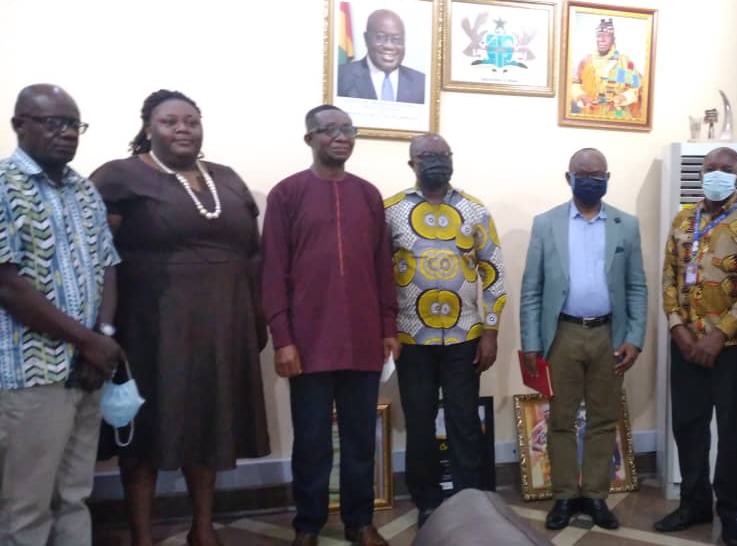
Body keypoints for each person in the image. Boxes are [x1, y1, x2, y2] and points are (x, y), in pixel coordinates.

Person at [90, 89, 271, 546]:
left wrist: (257, 315)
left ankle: (203, 528)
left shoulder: (226, 179)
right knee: (145, 431)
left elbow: (252, 253)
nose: (183, 128)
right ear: (148, 127)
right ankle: (141, 536)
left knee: (209, 423)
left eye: (191, 120)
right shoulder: (119, 177)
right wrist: (101, 328)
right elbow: (94, 256)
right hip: (149, 328)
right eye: (170, 121)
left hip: (223, 324)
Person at [262, 105, 400, 546]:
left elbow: (383, 268)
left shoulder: (368, 195)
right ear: (309, 139)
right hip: (308, 342)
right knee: (312, 441)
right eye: (329, 130)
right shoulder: (287, 194)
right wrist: (283, 339)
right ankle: (308, 524)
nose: (340, 137)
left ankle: (360, 521)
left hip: (362, 341)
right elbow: (272, 274)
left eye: (347, 129)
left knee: (361, 438)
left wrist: (388, 327)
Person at [0, 84, 123, 545]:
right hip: (30, 374)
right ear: (20, 125)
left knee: (74, 496)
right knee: (25, 506)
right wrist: (89, 342)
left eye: (74, 124)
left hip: (87, 369)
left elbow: (109, 265)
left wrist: (103, 336)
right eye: (54, 122)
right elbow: (8, 285)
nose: (68, 133)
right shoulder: (3, 185)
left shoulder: (83, 189)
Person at [520, 147, 647, 531]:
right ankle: (563, 497)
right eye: (583, 172)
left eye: (598, 173)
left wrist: (636, 337)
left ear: (607, 178)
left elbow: (637, 286)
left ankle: (594, 496)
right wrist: (530, 343)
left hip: (610, 334)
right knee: (559, 418)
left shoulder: (626, 224)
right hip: (562, 334)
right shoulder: (546, 224)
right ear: (569, 177)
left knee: (603, 419)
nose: (591, 178)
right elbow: (532, 288)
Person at [383, 133, 506, 528]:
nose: (434, 161)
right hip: (410, 339)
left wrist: (490, 331)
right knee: (419, 423)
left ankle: (469, 500)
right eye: (425, 156)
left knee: (463, 421)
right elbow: (378, 275)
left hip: (464, 337)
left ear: (452, 160)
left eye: (441, 154)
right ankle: (428, 504)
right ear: (411, 164)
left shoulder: (475, 210)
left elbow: (494, 272)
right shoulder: (390, 211)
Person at [656, 147, 737, 546]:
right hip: (686, 344)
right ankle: (693, 504)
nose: (717, 174)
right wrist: (677, 328)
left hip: (733, 346)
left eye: (727, 169)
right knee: (688, 425)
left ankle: (732, 512)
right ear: (701, 173)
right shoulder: (683, 219)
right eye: (711, 168)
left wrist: (719, 333)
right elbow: (669, 277)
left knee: (734, 430)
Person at [338, 9, 426, 104]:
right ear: (366, 39)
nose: (389, 46)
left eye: (396, 39)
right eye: (380, 37)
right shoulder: (340, 76)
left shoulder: (422, 83)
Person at [569, 19, 643, 120]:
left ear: (613, 39)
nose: (602, 39)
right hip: (591, 113)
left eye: (607, 36)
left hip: (618, 113)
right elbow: (575, 84)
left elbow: (636, 87)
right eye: (599, 36)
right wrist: (581, 96)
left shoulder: (625, 62)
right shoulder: (586, 61)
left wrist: (624, 97)